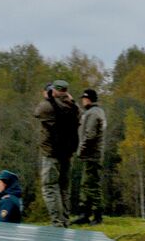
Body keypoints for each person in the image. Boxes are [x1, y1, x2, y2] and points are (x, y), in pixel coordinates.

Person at [34, 79, 80, 227]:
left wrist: (48, 97)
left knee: (49, 187)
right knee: (64, 189)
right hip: (67, 153)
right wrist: (71, 100)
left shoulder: (48, 106)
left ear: (53, 91)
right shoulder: (74, 108)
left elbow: (36, 112)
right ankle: (65, 220)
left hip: (51, 153)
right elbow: (79, 116)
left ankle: (57, 222)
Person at [74, 87, 107, 225]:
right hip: (93, 154)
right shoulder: (96, 111)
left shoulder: (93, 114)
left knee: (92, 185)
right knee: (86, 184)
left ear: (88, 99)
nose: (82, 100)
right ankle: (85, 214)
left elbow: (90, 135)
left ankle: (97, 215)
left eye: (84, 98)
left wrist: (81, 150)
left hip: (92, 154)